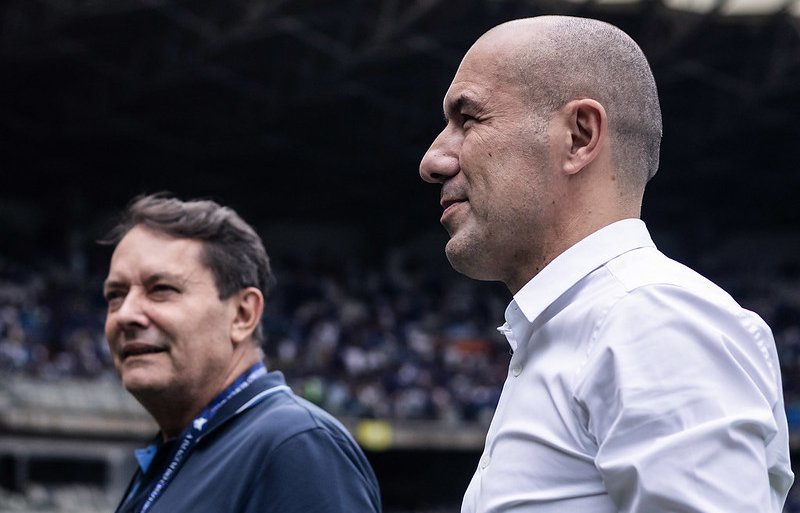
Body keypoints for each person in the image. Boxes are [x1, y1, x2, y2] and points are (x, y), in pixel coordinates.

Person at [419, 15, 793, 513]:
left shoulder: (654, 319)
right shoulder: (581, 328)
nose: (433, 160)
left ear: (579, 136)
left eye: (469, 120)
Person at [100, 193, 381, 513]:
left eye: (161, 289)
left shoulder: (296, 446)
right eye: (115, 295)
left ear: (242, 315)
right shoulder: (176, 450)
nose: (126, 314)